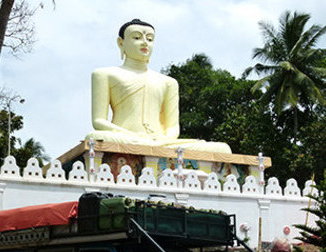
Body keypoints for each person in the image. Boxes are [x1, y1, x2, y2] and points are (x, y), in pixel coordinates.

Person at [86, 19, 231, 153]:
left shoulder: (168, 82)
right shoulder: (105, 74)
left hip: (160, 141)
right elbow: (99, 121)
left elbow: (173, 128)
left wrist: (163, 140)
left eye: (149, 39)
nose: (144, 43)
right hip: (127, 137)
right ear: (121, 43)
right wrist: (133, 136)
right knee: (93, 136)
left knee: (222, 149)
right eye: (136, 38)